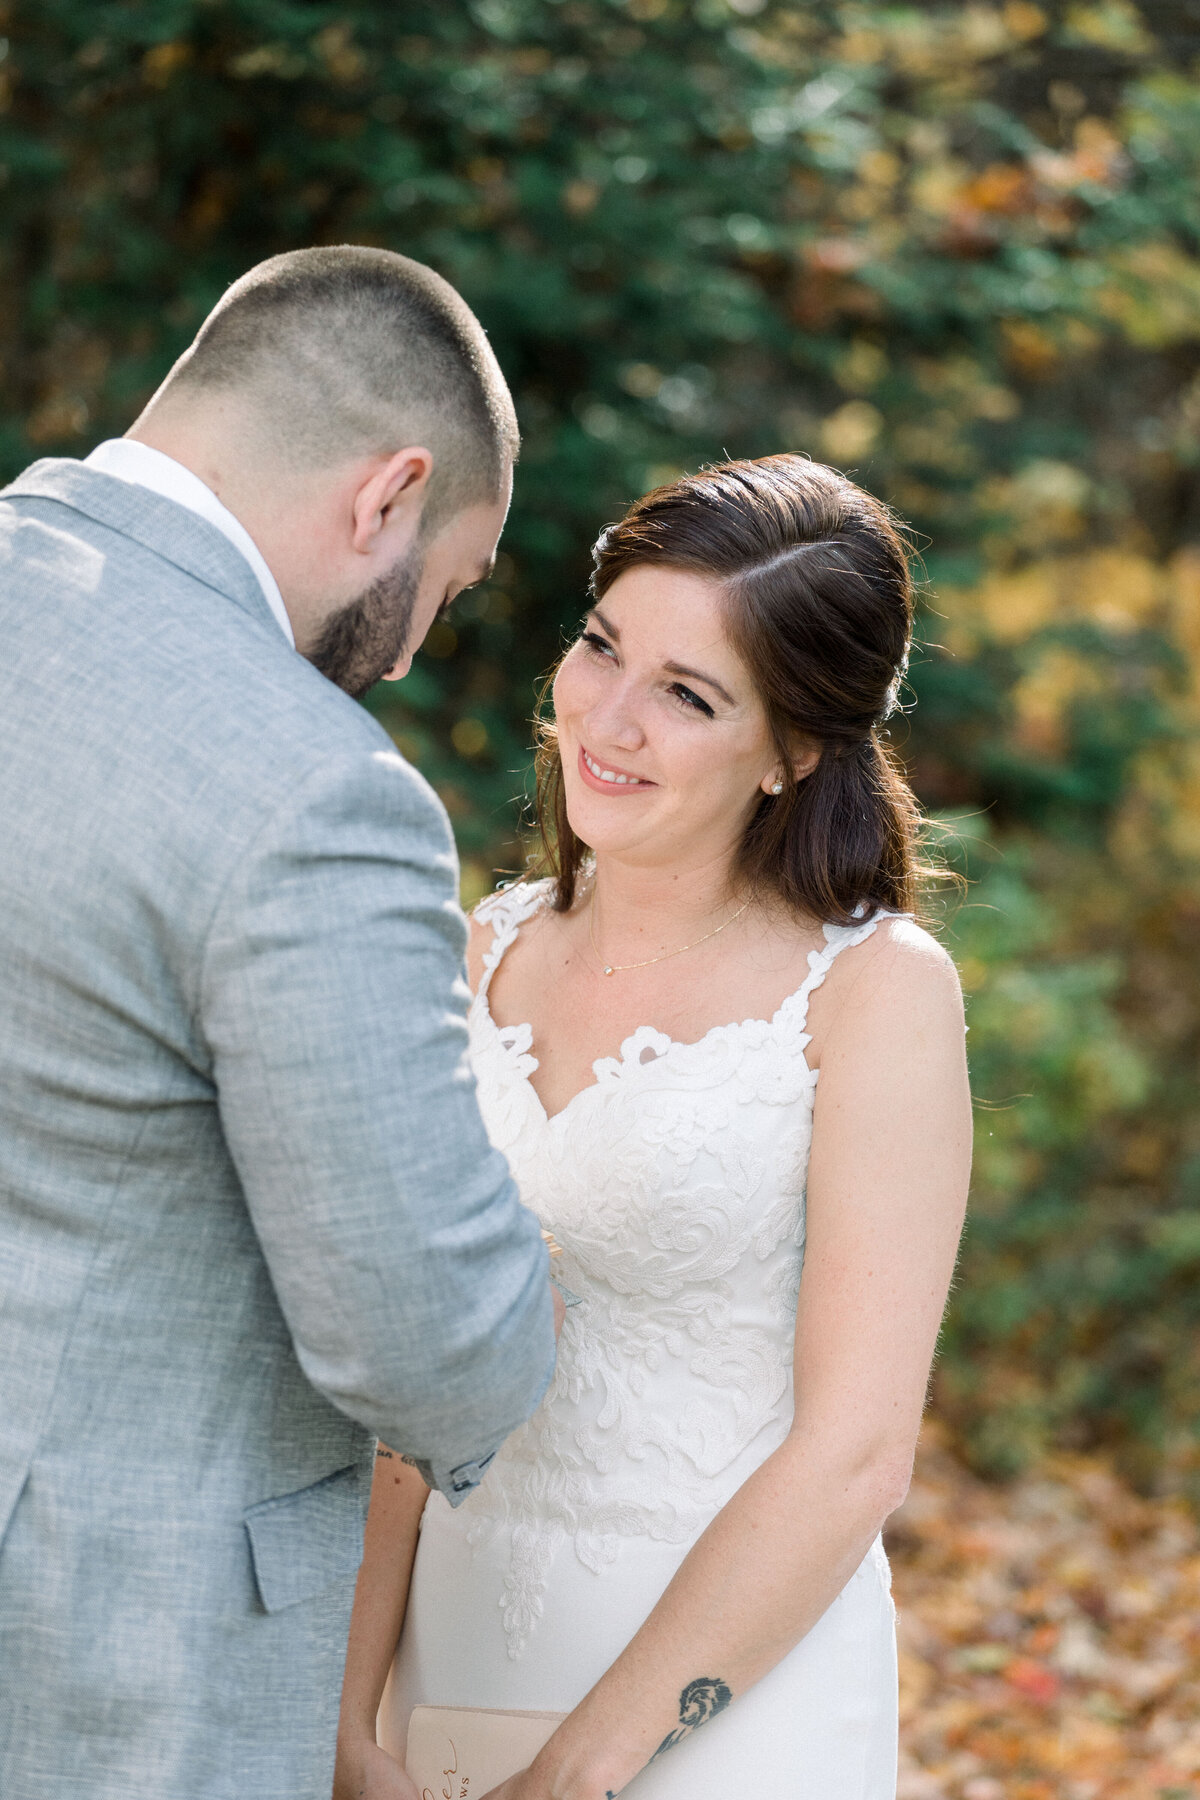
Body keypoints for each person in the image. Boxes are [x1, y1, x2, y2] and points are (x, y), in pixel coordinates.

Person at [0, 246, 560, 1800]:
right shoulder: (313, 790)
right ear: (389, 494)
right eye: (444, 588)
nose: (412, 650)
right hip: (108, 1663)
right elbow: (424, 1334)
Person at [338, 456, 973, 1800]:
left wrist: (577, 1775)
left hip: (733, 1703)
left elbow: (856, 1455)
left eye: (686, 695)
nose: (606, 721)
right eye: (601, 648)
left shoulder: (872, 993)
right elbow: (405, 1374)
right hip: (450, 1661)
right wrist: (342, 1717)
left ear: (794, 750)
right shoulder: (476, 952)